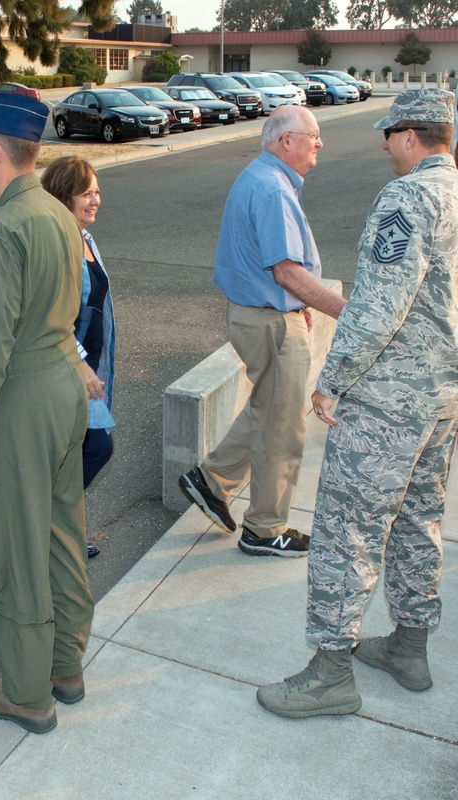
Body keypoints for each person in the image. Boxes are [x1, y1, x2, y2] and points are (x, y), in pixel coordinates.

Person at [258, 89, 458, 718]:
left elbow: (379, 305)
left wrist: (333, 378)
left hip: (390, 399)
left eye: (388, 134)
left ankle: (330, 674)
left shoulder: (408, 198)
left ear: (409, 135)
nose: (383, 146)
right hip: (441, 396)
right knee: (420, 516)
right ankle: (410, 645)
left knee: (348, 526)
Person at [0, 93, 93, 735]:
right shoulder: (58, 213)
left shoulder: (5, 227)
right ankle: (65, 668)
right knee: (61, 535)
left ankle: (27, 692)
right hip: (64, 388)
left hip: (23, 397)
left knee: (16, 543)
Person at [178, 104, 346, 558]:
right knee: (283, 427)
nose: (319, 143)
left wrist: (300, 307)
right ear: (286, 141)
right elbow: (287, 272)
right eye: (313, 135)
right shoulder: (272, 188)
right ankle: (264, 528)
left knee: (268, 410)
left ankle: (210, 481)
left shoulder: (262, 178)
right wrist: (344, 311)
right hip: (268, 320)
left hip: (263, 315)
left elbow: (282, 273)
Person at [41, 156, 117, 560]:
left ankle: (58, 533)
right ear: (62, 196)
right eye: (86, 193)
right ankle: (48, 527)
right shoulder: (60, 244)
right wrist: (82, 364)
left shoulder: (85, 238)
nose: (95, 201)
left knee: (73, 454)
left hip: (90, 364)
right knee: (97, 447)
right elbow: (55, 319)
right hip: (69, 368)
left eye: (98, 192)